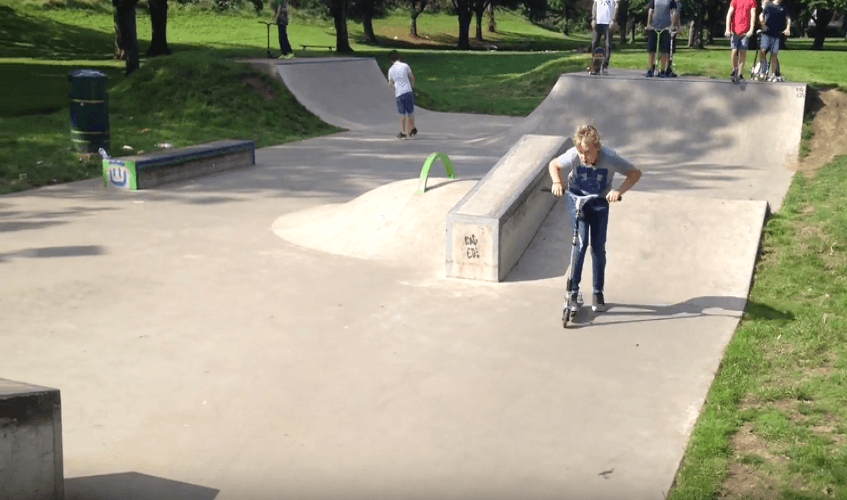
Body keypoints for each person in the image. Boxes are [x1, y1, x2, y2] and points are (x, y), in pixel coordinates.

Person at [547, 124, 642, 312]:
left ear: (597, 147)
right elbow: (554, 165)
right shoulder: (574, 154)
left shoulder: (610, 157)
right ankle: (573, 293)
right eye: (580, 152)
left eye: (587, 152)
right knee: (580, 244)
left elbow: (635, 173)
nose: (583, 157)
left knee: (598, 247)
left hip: (599, 202)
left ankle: (598, 292)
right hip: (577, 201)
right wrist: (557, 181)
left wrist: (618, 191)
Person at [757, 0, 791, 81]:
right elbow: (761, 15)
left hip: (776, 34)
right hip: (766, 33)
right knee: (763, 51)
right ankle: (762, 71)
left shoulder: (783, 8)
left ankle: (773, 74)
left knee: (774, 54)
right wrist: (763, 24)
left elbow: (788, 18)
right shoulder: (769, 5)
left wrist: (788, 28)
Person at [387, 50, 417, 140]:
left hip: (399, 93)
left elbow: (390, 83)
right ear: (399, 58)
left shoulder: (391, 70)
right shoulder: (405, 66)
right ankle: (412, 129)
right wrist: (412, 87)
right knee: (410, 112)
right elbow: (412, 77)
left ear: (391, 60)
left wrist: (394, 89)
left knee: (402, 114)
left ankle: (404, 132)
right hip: (408, 91)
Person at [645, 0, 679, 78]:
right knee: (652, 50)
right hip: (654, 27)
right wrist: (649, 24)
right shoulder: (654, 1)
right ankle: (651, 69)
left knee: (665, 51)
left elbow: (674, 12)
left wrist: (672, 25)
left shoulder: (671, 1)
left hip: (666, 28)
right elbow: (651, 11)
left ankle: (663, 70)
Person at [725, 0, 757, 82]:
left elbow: (753, 15)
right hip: (735, 31)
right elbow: (729, 14)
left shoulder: (751, 1)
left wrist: (751, 29)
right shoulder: (735, 0)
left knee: (743, 52)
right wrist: (727, 29)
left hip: (745, 32)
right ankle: (734, 70)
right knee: (734, 51)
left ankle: (740, 73)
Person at [591, 0, 619, 74]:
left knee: (608, 45)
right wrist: (593, 19)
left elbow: (616, 7)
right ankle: (595, 66)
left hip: (608, 22)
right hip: (598, 21)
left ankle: (605, 66)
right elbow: (594, 5)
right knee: (594, 43)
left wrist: (613, 20)